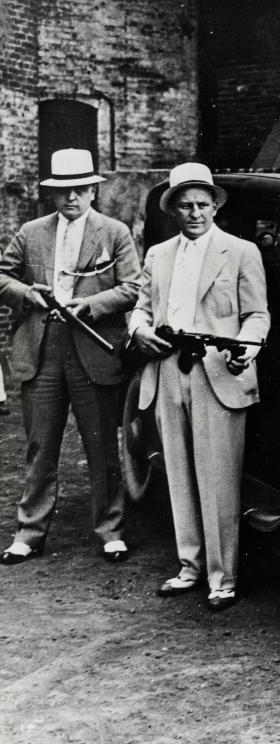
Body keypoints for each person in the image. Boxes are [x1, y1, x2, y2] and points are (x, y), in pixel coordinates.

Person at [129, 162, 269, 612]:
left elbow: (257, 315)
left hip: (218, 371)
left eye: (203, 205)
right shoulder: (158, 254)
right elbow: (141, 308)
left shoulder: (241, 251)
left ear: (215, 207)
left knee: (218, 477)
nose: (195, 213)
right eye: (186, 205)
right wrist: (138, 331)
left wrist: (247, 348)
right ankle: (189, 565)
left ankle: (222, 577)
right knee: (179, 473)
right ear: (173, 210)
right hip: (168, 367)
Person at [0, 148, 142, 564]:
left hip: (93, 347)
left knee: (101, 446)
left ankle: (110, 530)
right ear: (52, 194)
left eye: (80, 189)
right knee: (40, 444)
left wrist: (93, 305)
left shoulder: (114, 232)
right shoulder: (32, 231)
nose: (72, 198)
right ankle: (29, 532)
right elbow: (1, 275)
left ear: (93, 190)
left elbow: (134, 286)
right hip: (42, 348)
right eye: (63, 191)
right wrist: (27, 293)